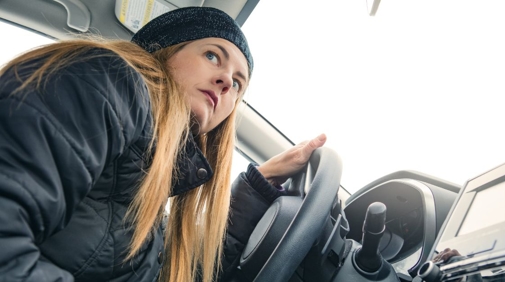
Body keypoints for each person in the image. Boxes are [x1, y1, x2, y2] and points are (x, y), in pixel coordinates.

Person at [0, 6, 326, 282]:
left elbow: (182, 268)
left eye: (238, 84)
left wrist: (260, 183)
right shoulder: (111, 81)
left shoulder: (152, 173)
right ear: (165, 51)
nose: (227, 80)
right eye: (212, 55)